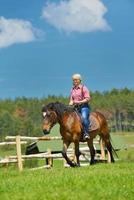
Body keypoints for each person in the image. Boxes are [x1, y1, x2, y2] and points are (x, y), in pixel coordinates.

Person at [69, 73, 91, 140]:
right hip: (75, 107)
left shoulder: (84, 88)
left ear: (79, 80)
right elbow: (71, 99)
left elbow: (88, 98)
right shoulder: (72, 89)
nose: (74, 81)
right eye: (73, 80)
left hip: (84, 107)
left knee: (84, 118)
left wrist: (79, 102)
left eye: (76, 80)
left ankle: (86, 133)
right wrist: (70, 103)